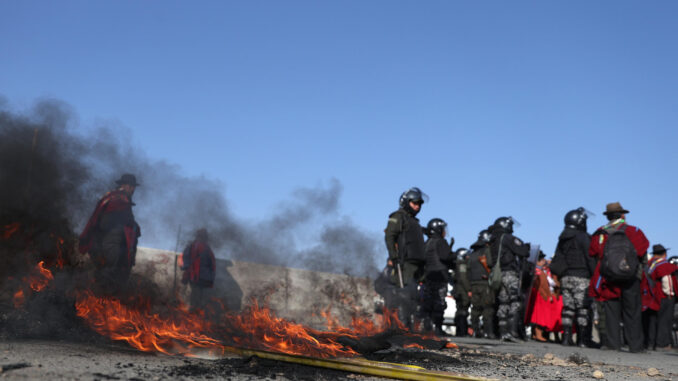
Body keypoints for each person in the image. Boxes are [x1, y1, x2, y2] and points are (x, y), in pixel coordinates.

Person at [588, 202, 649, 353]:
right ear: (623, 215)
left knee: (611, 311)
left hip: (608, 278)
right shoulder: (634, 231)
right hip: (630, 277)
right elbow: (642, 253)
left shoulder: (600, 233)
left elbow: (593, 254)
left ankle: (612, 344)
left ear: (607, 216)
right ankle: (635, 346)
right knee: (632, 312)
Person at [79, 173, 141, 295]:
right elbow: (104, 222)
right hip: (111, 242)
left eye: (134, 187)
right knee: (110, 273)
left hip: (113, 243)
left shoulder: (118, 200)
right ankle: (101, 297)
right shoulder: (117, 200)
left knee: (113, 274)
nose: (133, 190)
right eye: (132, 186)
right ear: (125, 186)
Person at [384, 187, 428, 329]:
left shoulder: (413, 221)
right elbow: (389, 236)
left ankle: (407, 327)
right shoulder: (398, 217)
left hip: (416, 265)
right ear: (406, 202)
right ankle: (401, 328)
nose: (417, 206)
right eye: (414, 203)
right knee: (404, 296)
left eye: (419, 204)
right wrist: (393, 256)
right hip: (404, 264)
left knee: (413, 296)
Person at [551, 207, 595, 347]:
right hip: (581, 277)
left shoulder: (563, 237)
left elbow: (558, 258)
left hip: (566, 277)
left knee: (568, 309)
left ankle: (566, 338)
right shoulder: (583, 237)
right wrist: (594, 274)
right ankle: (582, 340)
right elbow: (590, 258)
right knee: (582, 308)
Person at [490, 217, 530, 341]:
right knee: (515, 301)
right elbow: (523, 251)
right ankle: (512, 332)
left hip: (499, 274)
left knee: (503, 302)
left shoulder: (494, 239)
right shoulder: (507, 238)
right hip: (510, 273)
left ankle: (503, 332)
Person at [420, 218, 455, 336]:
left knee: (428, 303)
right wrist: (453, 255)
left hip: (428, 276)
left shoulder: (427, 242)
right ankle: (438, 328)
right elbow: (446, 257)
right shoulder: (440, 241)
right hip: (440, 276)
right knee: (439, 303)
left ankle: (427, 327)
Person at [644, 244, 677, 350]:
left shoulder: (651, 264)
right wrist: (670, 293)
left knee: (653, 320)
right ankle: (662, 343)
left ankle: (651, 342)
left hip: (652, 296)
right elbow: (667, 280)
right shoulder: (664, 265)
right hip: (663, 295)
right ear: (665, 253)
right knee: (665, 320)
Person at [527, 252, 562, 341]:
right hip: (541, 296)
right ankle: (538, 334)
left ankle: (535, 334)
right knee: (540, 316)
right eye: (542, 260)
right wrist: (547, 295)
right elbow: (544, 285)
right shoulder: (540, 272)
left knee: (538, 316)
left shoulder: (540, 272)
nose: (544, 262)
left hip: (540, 295)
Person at [468, 229, 496, 338]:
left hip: (474, 284)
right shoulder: (486, 250)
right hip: (485, 283)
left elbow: (468, 269)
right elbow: (489, 263)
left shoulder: (472, 253)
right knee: (487, 308)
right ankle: (488, 332)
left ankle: (475, 330)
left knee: (475, 308)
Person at [181, 228, 217, 311]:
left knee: (197, 293)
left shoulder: (194, 246)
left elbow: (185, 259)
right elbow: (211, 263)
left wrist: (186, 268)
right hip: (198, 275)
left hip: (198, 275)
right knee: (197, 294)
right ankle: (194, 311)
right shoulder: (200, 247)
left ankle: (195, 311)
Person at [453, 247, 471, 337]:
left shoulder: (457, 265)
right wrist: (469, 290)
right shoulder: (462, 265)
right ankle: (462, 331)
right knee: (463, 311)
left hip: (459, 290)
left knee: (460, 310)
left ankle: (460, 331)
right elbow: (463, 279)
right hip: (462, 290)